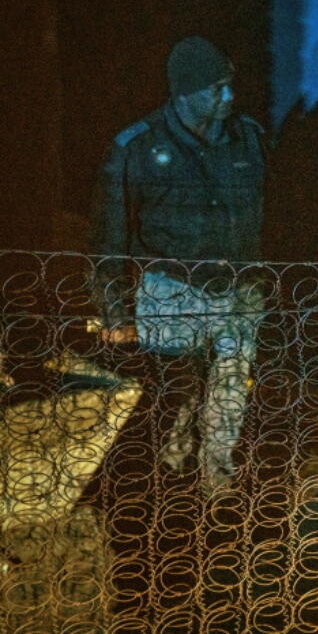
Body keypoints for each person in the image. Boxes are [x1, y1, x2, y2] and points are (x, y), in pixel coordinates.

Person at [91, 34, 266, 489]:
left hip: (238, 287)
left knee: (230, 393)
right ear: (184, 92)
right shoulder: (138, 147)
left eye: (230, 84)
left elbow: (275, 212)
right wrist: (115, 310)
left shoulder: (248, 139)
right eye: (216, 88)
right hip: (172, 288)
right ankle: (166, 479)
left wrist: (265, 278)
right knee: (175, 392)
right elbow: (110, 236)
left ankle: (218, 482)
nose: (229, 96)